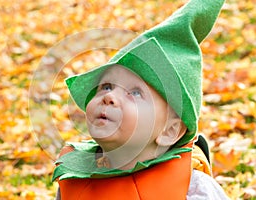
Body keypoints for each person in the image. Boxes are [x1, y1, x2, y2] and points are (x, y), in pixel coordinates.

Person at [52, 0, 230, 199]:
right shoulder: (75, 177)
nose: (109, 97)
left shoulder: (193, 189)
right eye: (106, 86)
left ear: (169, 131)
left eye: (135, 93)